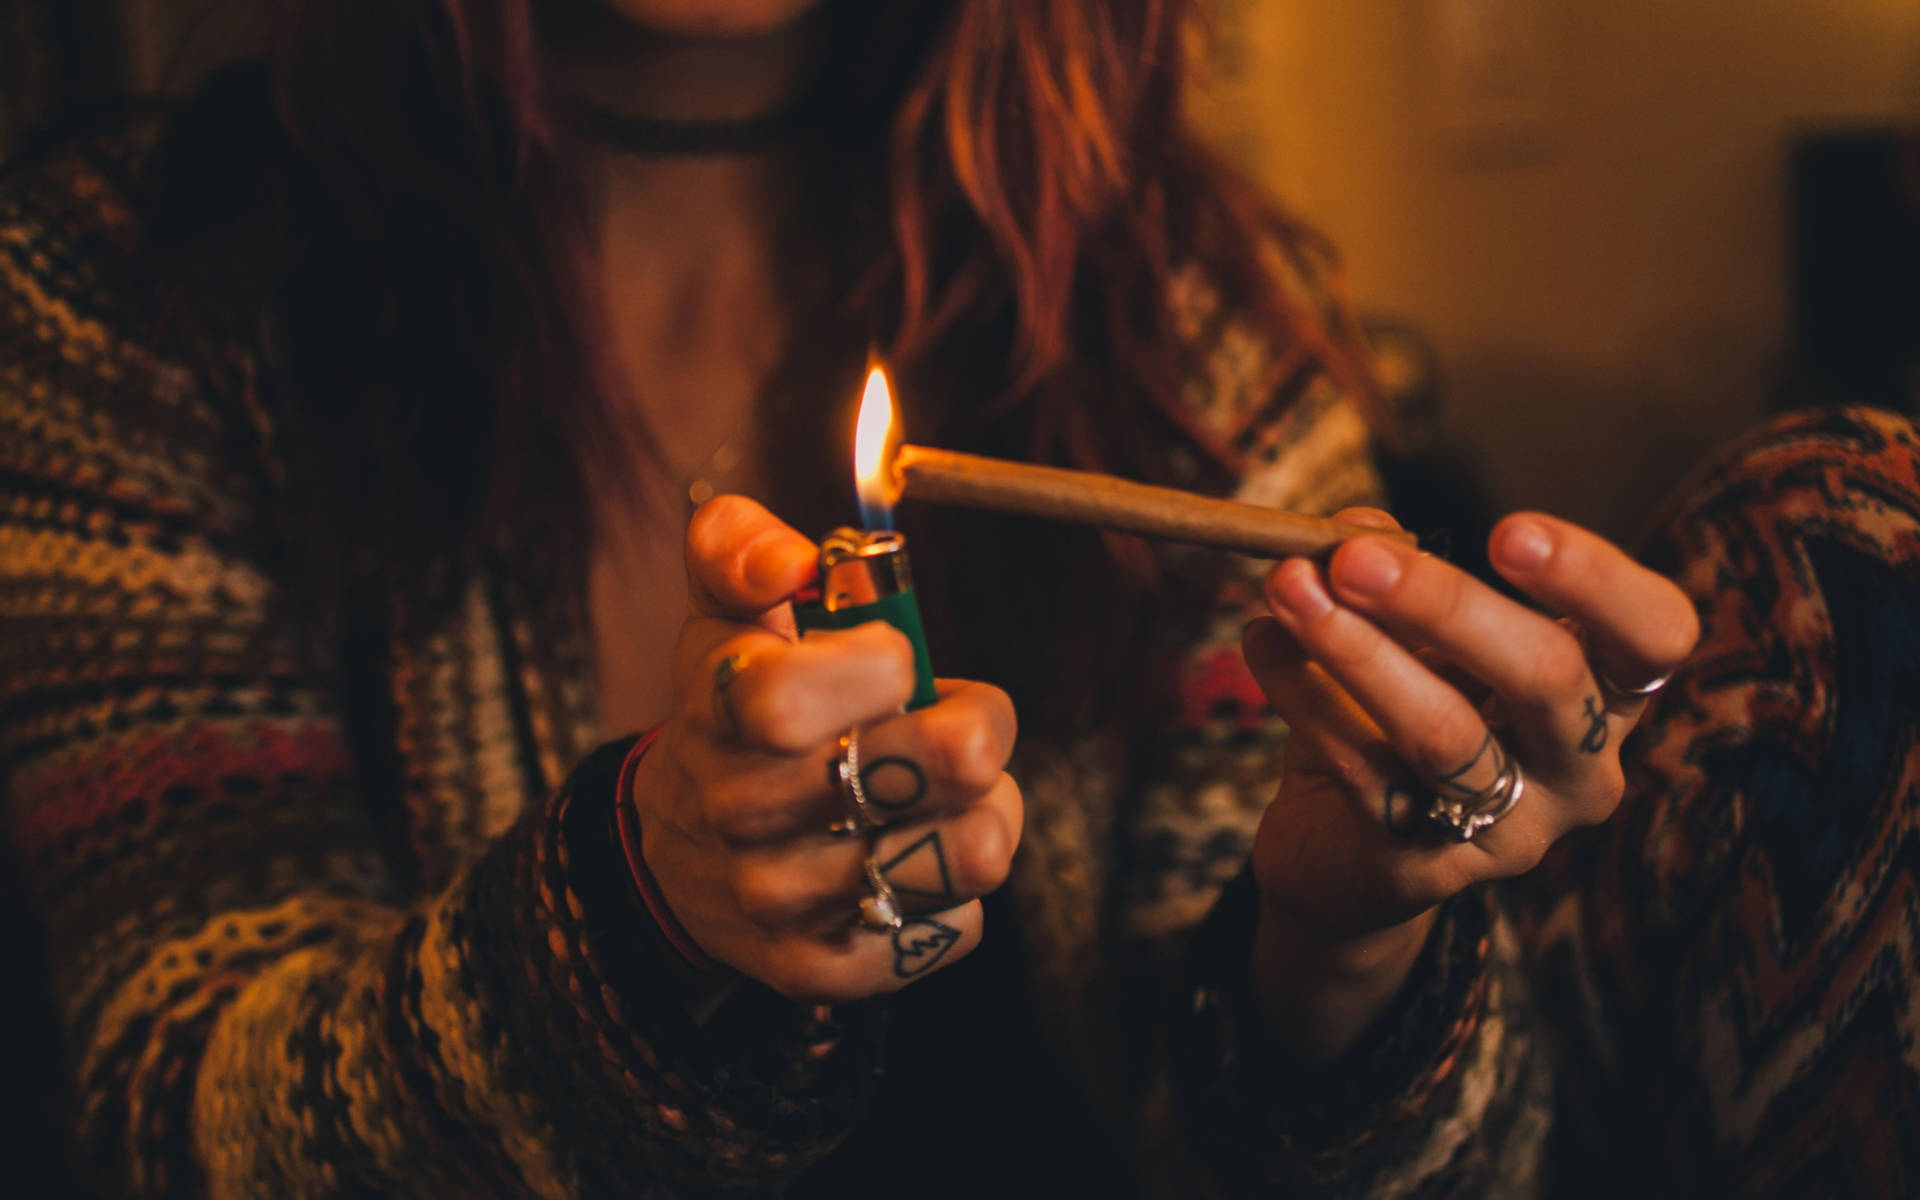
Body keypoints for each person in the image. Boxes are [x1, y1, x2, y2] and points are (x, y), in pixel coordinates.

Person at [2, 1, 1910, 1196]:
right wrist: (640, 927)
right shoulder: (126, 303)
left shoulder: (1183, 329)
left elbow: (1448, 1170)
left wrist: (1344, 946)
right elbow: (177, 1124)